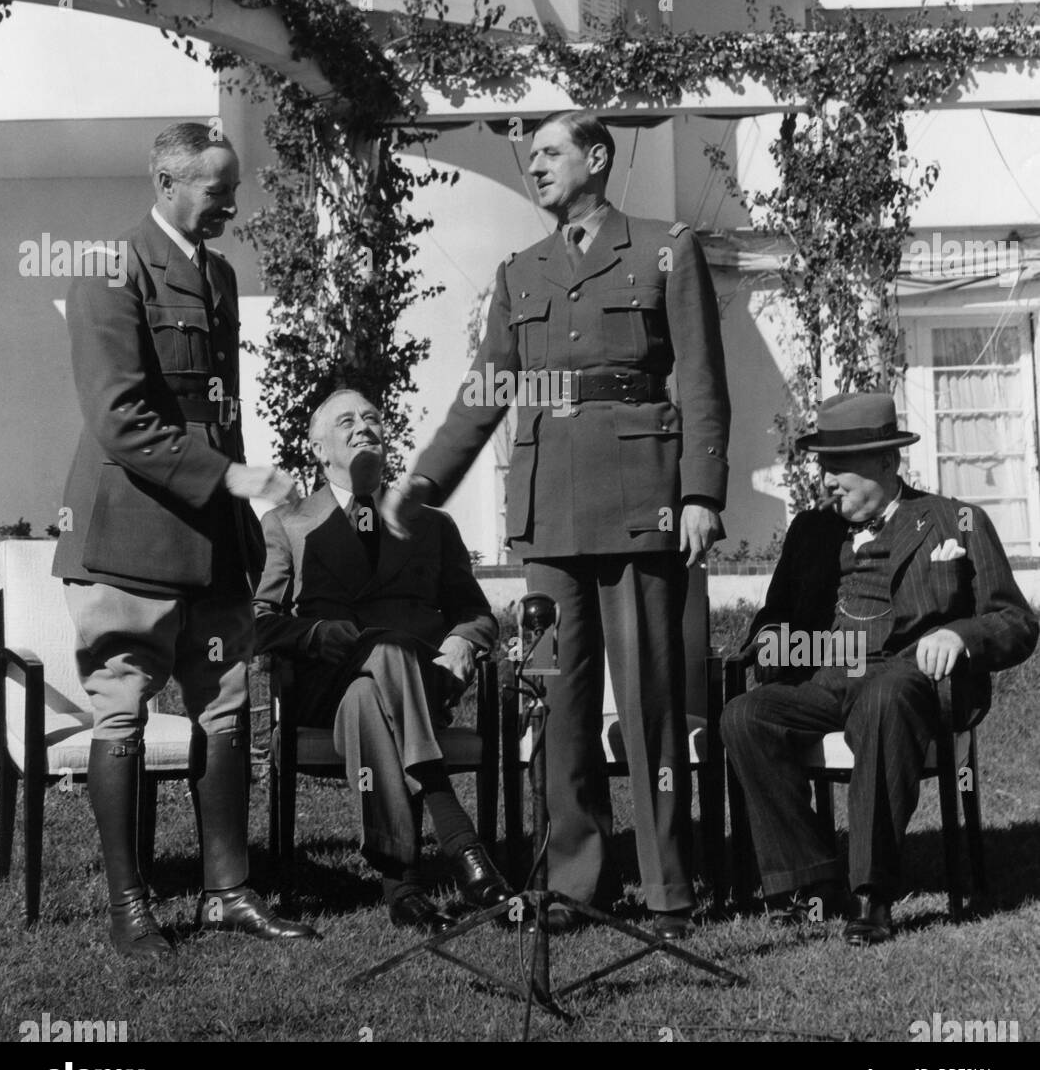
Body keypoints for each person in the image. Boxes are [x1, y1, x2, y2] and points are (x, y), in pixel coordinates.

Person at [383, 110, 731, 940]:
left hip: (641, 503)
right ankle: (575, 882)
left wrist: (701, 495)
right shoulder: (519, 271)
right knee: (556, 699)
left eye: (549, 152)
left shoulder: (664, 246)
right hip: (547, 518)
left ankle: (667, 888)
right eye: (528, 154)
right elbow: (486, 390)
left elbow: (704, 380)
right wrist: (426, 480)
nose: (534, 165)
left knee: (649, 701)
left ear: (597, 157)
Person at [54, 121, 317, 959]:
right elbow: (121, 419)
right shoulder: (110, 268)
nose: (233, 206)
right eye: (218, 190)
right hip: (128, 533)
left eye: (234, 189)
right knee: (123, 710)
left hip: (209, 538)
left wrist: (244, 509)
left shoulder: (220, 274)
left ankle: (227, 894)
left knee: (228, 703)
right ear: (167, 183)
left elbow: (219, 411)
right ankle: (130, 909)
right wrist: (234, 479)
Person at [721, 391, 1038, 944]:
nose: (827, 479)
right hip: (830, 672)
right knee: (745, 716)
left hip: (914, 675)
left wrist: (959, 634)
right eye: (823, 464)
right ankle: (811, 883)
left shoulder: (954, 521)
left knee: (884, 697)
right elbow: (774, 617)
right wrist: (772, 643)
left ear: (888, 462)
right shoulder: (811, 531)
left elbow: (1016, 622)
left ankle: (872, 894)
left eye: (840, 465)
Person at [253, 387, 512, 934]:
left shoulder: (432, 524)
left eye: (372, 417)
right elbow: (256, 622)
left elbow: (477, 612)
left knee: (374, 687)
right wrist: (314, 632)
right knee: (382, 654)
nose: (363, 426)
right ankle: (458, 837)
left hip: (421, 680)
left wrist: (464, 641)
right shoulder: (287, 523)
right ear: (319, 449)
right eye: (345, 421)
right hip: (324, 682)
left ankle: (404, 891)